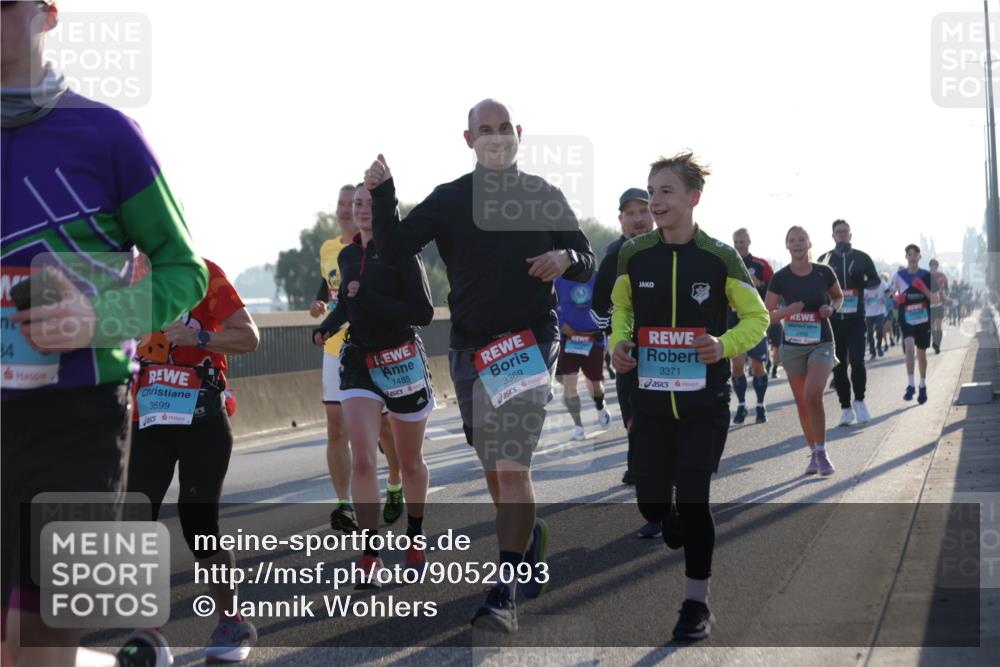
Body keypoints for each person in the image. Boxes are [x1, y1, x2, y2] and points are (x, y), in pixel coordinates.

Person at [1, 2, 208, 665]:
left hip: (81, 424)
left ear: (47, 14)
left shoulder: (108, 133)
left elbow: (184, 271)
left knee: (40, 644)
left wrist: (97, 320)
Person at [364, 99, 595, 634]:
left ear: (519, 133)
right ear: (467, 140)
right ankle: (527, 538)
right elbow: (395, 247)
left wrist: (564, 259)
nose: (495, 137)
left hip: (530, 340)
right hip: (471, 350)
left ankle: (504, 591)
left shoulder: (543, 194)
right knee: (496, 469)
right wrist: (383, 192)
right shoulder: (450, 199)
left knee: (512, 464)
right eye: (483, 130)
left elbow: (584, 254)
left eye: (504, 129)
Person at [610, 152, 768, 641]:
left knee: (696, 496)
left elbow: (757, 318)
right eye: (651, 191)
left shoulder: (720, 256)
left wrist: (723, 345)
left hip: (705, 404)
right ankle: (667, 513)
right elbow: (622, 310)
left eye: (665, 192)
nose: (655, 201)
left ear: (693, 198)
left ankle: (695, 604)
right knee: (652, 507)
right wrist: (619, 342)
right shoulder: (634, 255)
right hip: (650, 404)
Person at [128, 259, 259, 663]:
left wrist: (198, 335)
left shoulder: (202, 274)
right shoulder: (123, 276)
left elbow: (249, 337)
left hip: (202, 420)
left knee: (198, 523)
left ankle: (231, 620)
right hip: (146, 419)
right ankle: (147, 635)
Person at [314, 184, 435, 584]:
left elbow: (422, 311)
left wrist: (369, 297)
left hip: (401, 360)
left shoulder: (402, 252)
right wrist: (327, 326)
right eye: (355, 204)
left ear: (382, 208)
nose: (361, 210)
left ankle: (415, 538)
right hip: (358, 361)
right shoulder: (348, 255)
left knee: (411, 460)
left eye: (368, 204)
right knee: (364, 457)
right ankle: (370, 554)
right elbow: (349, 305)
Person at [309, 185, 404, 532]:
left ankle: (394, 480)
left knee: (383, 427)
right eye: (341, 204)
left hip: (373, 346)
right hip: (336, 349)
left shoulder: (380, 247)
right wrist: (320, 305)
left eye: (353, 204)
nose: (346, 209)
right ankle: (344, 504)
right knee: (336, 429)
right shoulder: (328, 248)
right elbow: (330, 285)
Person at [765, 227, 843, 477]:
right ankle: (813, 452)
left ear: (810, 243)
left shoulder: (823, 272)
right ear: (786, 245)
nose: (797, 244)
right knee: (802, 403)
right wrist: (787, 312)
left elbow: (838, 297)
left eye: (801, 239)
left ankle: (822, 451)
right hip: (793, 347)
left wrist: (831, 309)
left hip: (822, 342)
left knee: (813, 395)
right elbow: (766, 316)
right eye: (792, 240)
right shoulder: (780, 277)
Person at [590, 188, 653, 489]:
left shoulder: (672, 248)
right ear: (620, 219)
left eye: (643, 211)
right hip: (628, 354)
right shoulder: (614, 257)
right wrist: (615, 339)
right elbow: (597, 308)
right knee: (634, 418)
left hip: (670, 351)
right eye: (630, 214)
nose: (638, 219)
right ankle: (639, 464)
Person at [817, 219, 881, 427]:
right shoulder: (824, 259)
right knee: (839, 365)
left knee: (857, 360)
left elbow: (875, 280)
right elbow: (816, 285)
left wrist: (860, 283)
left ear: (850, 235)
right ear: (833, 236)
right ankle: (845, 408)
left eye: (845, 231)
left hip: (855, 319)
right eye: (838, 232)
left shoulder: (862, 257)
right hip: (834, 320)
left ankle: (860, 401)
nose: (842, 235)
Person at [554, 271, 610, 441]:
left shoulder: (599, 277)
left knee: (595, 384)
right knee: (569, 384)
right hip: (568, 339)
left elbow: (609, 306)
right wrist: (562, 325)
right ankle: (578, 426)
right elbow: (551, 306)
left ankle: (600, 406)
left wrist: (606, 332)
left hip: (593, 339)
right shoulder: (557, 280)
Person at [728, 229, 774, 425]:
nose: (740, 246)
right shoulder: (727, 263)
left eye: (743, 242)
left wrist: (760, 284)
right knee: (737, 365)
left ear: (749, 242)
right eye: (736, 242)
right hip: (733, 321)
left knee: (757, 365)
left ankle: (761, 405)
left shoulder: (760, 264)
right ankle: (741, 404)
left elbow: (774, 289)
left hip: (754, 321)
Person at [892, 245, 936, 404]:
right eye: (909, 254)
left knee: (922, 355)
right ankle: (910, 385)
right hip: (907, 319)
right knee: (909, 349)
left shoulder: (926, 275)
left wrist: (923, 288)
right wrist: (897, 300)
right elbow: (893, 295)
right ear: (906, 257)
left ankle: (922, 385)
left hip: (923, 319)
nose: (912, 257)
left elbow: (935, 299)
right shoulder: (898, 276)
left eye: (915, 254)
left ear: (919, 257)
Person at [864, 273, 890, 358]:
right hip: (869, 312)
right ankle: (872, 350)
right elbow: (859, 295)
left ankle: (879, 346)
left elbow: (888, 291)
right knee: (870, 332)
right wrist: (863, 301)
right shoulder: (863, 283)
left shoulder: (881, 282)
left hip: (880, 310)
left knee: (879, 328)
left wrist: (885, 298)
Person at [928, 258, 949, 354]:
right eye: (931, 267)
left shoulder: (942, 276)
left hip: (939, 304)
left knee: (939, 325)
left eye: (935, 267)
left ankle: (937, 346)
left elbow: (947, 289)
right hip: (929, 305)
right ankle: (934, 340)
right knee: (931, 326)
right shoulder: (926, 277)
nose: (933, 268)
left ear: (937, 267)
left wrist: (946, 297)